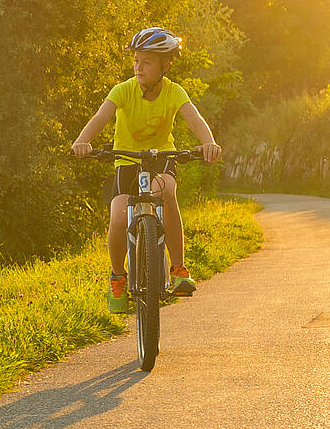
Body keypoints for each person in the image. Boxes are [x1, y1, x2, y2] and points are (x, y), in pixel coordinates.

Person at [71, 27, 223, 309]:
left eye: (147, 62)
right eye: (136, 61)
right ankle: (118, 278)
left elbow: (195, 118)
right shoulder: (123, 90)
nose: (139, 68)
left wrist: (209, 143)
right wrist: (83, 142)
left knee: (165, 191)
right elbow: (100, 117)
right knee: (118, 215)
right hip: (125, 160)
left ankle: (178, 270)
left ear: (165, 65)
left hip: (161, 157)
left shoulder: (174, 92)